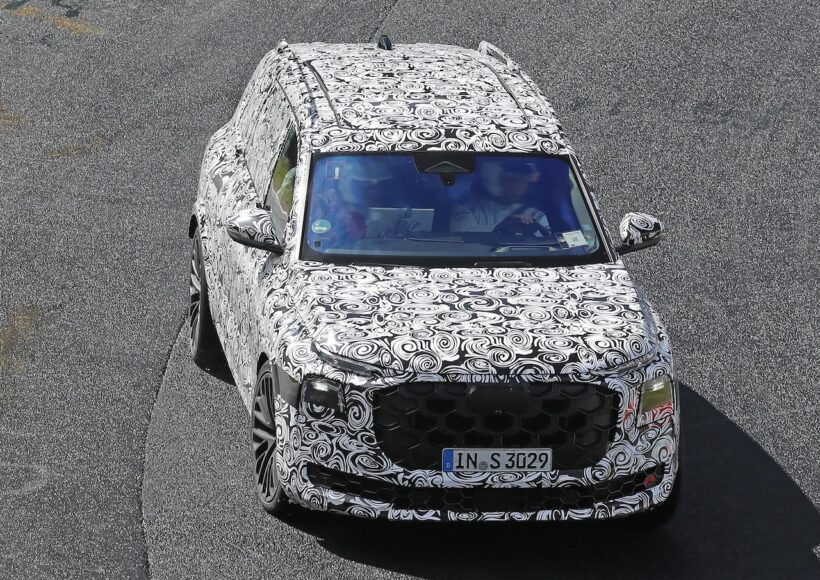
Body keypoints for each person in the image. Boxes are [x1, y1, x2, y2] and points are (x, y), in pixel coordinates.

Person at [308, 157, 394, 248]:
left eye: (378, 185)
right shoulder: (325, 204)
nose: (373, 190)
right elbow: (320, 241)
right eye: (366, 184)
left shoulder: (393, 209)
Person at [450, 158, 549, 234]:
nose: (517, 185)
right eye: (511, 179)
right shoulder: (467, 209)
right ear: (500, 180)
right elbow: (463, 239)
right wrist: (503, 227)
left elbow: (548, 244)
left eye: (521, 180)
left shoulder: (536, 216)